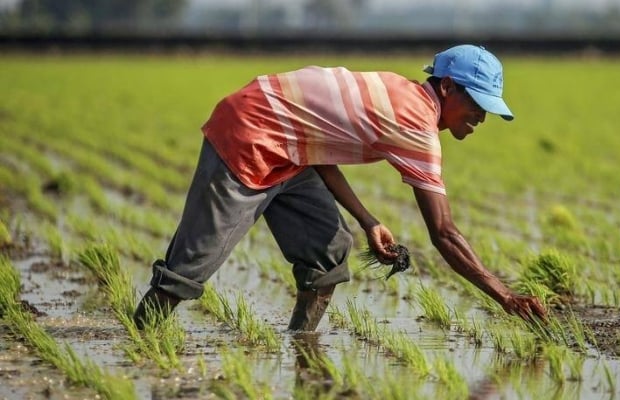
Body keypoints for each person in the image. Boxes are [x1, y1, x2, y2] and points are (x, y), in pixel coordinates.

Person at [133, 44, 548, 331]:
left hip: (291, 147)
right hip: (249, 132)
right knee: (189, 269)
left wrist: (367, 220)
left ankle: (302, 345)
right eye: (477, 102)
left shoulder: (398, 90)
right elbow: (444, 234)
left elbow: (317, 142)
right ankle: (141, 341)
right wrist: (506, 297)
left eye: (487, 108)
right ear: (447, 87)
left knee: (327, 254)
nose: (481, 116)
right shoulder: (417, 126)